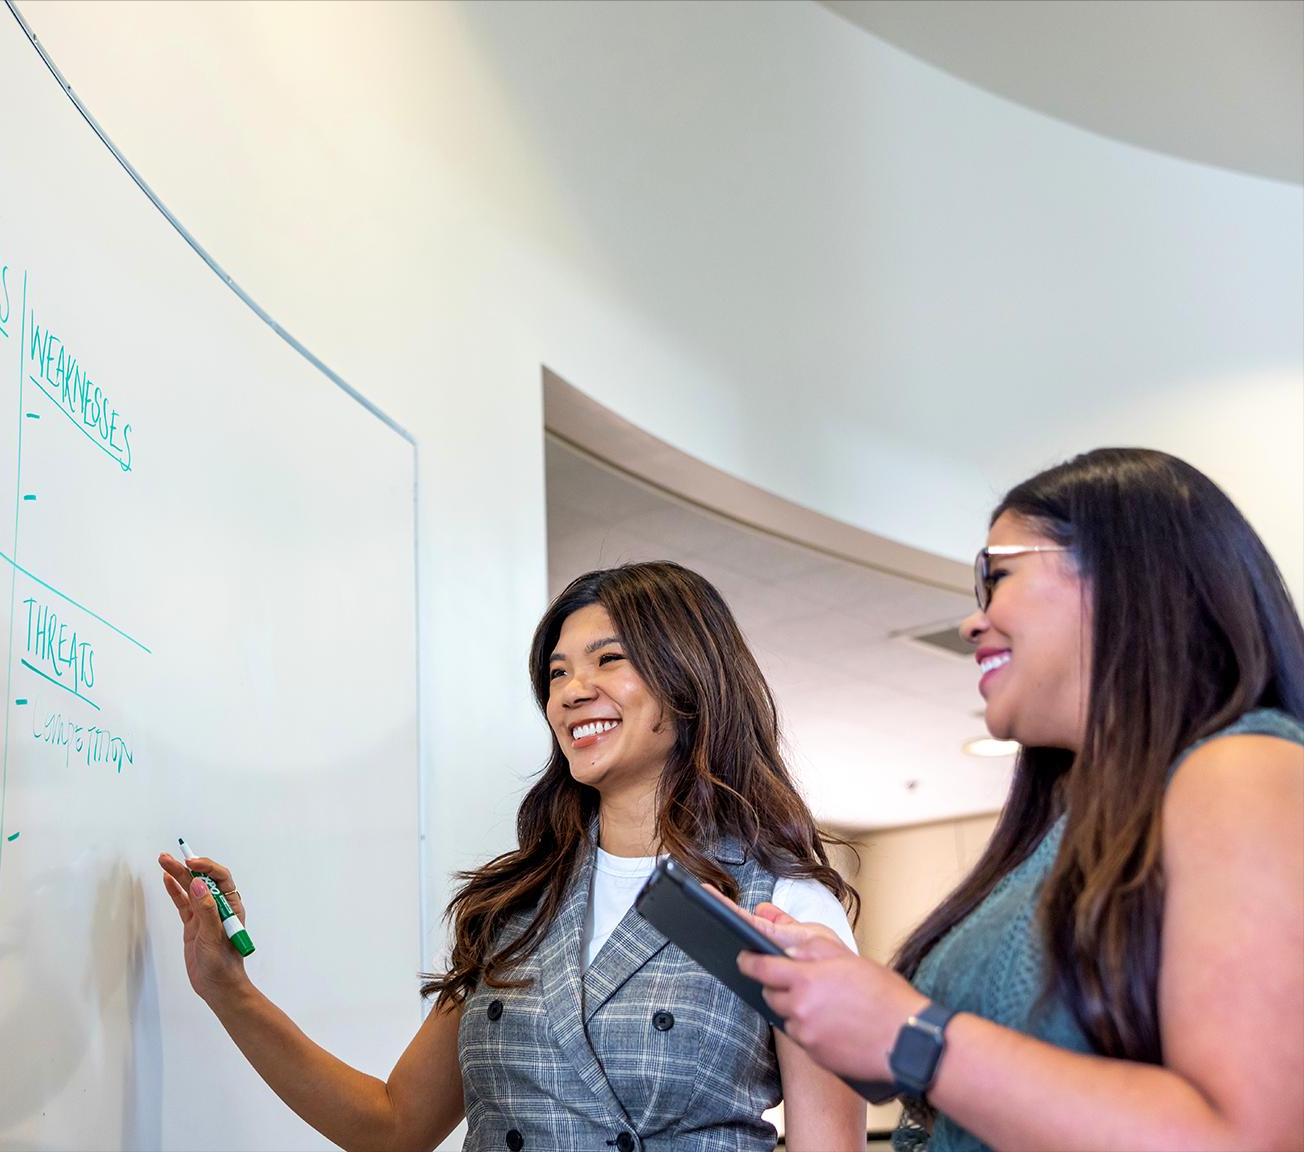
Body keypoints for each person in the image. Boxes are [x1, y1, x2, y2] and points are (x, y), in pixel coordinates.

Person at [159, 560, 867, 1151]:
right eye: (556, 675)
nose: (571, 693)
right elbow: (393, 1124)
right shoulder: (518, 901)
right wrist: (231, 991)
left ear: (690, 681)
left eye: (609, 660)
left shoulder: (783, 906)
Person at [732, 448, 1304, 1151]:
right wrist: (865, 1005)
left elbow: (1247, 1138)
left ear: (1125, 575)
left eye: (997, 576)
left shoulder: (1243, 769)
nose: (974, 622)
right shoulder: (1072, 822)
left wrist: (910, 1034)